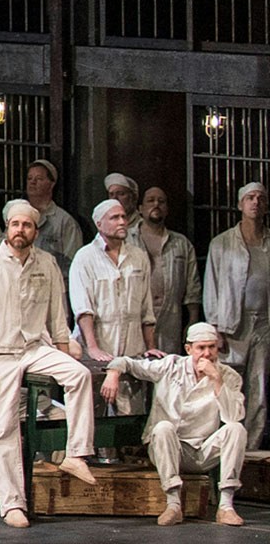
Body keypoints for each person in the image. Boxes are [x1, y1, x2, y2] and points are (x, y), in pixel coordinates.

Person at [0, 199, 99, 528]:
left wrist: (64, 351)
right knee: (3, 427)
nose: (20, 230)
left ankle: (76, 454)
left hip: (36, 347)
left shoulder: (47, 263)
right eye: (15, 224)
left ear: (35, 231)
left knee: (79, 375)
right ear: (7, 229)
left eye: (27, 225)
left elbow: (56, 315)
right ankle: (12, 504)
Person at [100, 322, 248, 527]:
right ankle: (173, 505)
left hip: (202, 450)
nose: (207, 354)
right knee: (163, 427)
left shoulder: (229, 376)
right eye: (201, 348)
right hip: (169, 448)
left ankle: (226, 506)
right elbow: (129, 363)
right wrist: (113, 373)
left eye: (211, 347)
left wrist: (216, 379)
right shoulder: (171, 366)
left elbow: (233, 416)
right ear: (189, 349)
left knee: (236, 429)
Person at [70, 198, 159, 414]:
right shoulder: (85, 258)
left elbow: (146, 307)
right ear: (100, 224)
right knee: (95, 414)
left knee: (131, 414)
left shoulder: (138, 256)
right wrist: (92, 348)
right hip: (100, 347)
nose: (122, 222)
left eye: (123, 217)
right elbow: (83, 309)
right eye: (115, 217)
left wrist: (149, 346)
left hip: (131, 349)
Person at [203, 180, 270, 451]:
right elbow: (212, 286)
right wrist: (214, 328)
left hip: (264, 324)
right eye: (250, 198)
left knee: (260, 390)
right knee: (229, 386)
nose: (255, 202)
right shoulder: (222, 244)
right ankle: (225, 447)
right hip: (232, 325)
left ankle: (251, 450)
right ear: (240, 204)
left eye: (260, 198)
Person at [137, 186, 201, 354]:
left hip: (170, 319)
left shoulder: (181, 243)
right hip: (135, 318)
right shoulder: (127, 240)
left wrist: (192, 319)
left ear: (167, 210)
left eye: (161, 201)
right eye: (150, 200)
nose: (156, 204)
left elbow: (192, 286)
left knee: (168, 370)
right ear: (140, 209)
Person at [24, 158, 83, 276]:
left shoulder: (65, 222)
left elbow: (73, 264)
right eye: (30, 178)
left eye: (39, 179)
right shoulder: (19, 217)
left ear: (52, 184)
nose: (33, 182)